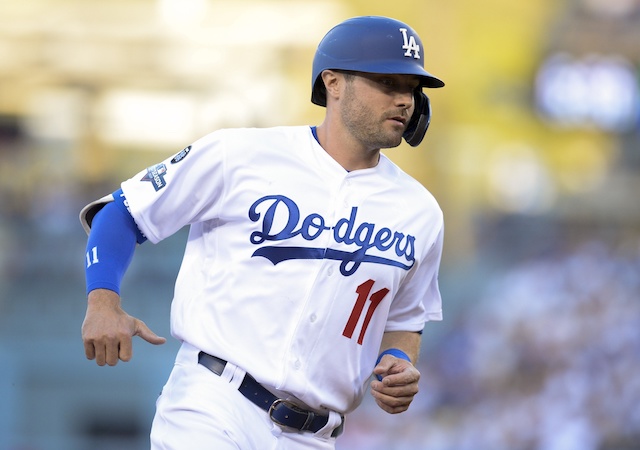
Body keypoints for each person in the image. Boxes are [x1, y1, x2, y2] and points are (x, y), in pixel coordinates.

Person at [80, 15, 445, 450]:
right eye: (387, 83)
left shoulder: (420, 212)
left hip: (314, 435)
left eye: (410, 88)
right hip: (215, 403)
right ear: (333, 82)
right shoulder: (241, 154)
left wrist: (400, 361)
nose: (404, 100)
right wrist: (103, 300)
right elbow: (122, 212)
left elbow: (405, 318)